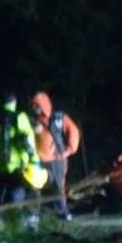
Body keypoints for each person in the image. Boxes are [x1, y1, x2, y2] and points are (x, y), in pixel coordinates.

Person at [0, 93, 38, 223]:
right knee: (16, 197)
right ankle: (16, 225)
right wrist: (33, 159)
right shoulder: (19, 117)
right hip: (16, 166)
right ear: (14, 103)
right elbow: (27, 141)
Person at [31, 92, 81, 220]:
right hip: (38, 160)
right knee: (35, 186)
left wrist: (69, 149)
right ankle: (34, 214)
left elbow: (73, 131)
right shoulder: (34, 120)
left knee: (58, 187)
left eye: (37, 106)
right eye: (34, 106)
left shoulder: (58, 118)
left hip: (56, 160)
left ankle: (62, 212)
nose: (35, 109)